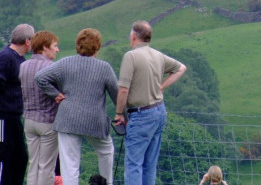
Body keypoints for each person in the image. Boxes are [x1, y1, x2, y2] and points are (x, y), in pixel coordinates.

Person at [35, 29, 118, 185]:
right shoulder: (104, 67)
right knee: (106, 151)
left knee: (70, 165)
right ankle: (106, 182)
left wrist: (55, 94)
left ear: (78, 45)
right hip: (95, 120)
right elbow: (117, 94)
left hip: (68, 119)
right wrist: (123, 115)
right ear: (97, 47)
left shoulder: (66, 63)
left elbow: (40, 77)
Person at [113, 21, 186, 185]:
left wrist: (119, 113)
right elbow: (181, 68)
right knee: (149, 165)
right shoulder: (158, 55)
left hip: (141, 115)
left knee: (133, 164)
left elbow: (123, 89)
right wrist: (162, 86)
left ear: (133, 37)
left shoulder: (130, 56)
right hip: (159, 111)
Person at [0, 23, 35, 185]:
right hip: (2, 116)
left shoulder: (19, 58)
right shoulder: (6, 57)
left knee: (20, 156)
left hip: (14, 116)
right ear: (27, 41)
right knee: (3, 156)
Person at [20, 31, 63, 185]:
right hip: (48, 121)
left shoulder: (23, 66)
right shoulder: (52, 67)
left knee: (33, 164)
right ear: (45, 47)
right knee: (47, 166)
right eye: (55, 46)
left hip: (29, 120)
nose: (57, 50)